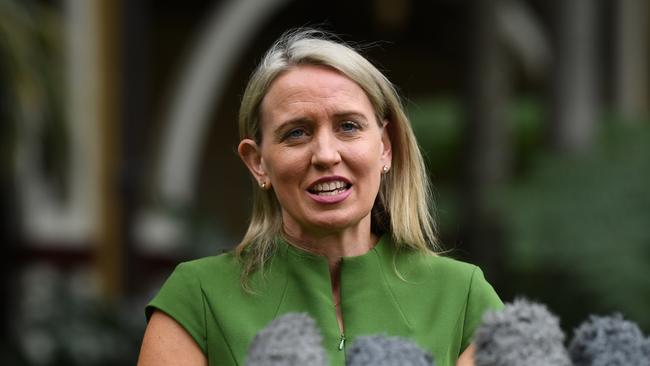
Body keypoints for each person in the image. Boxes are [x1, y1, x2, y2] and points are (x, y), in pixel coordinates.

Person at [137, 29, 502, 366]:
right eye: (296, 133)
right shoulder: (197, 297)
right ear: (258, 162)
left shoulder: (463, 296)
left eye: (348, 126)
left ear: (385, 148)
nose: (326, 154)